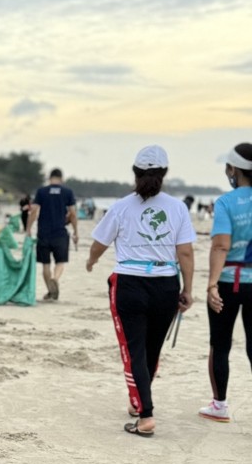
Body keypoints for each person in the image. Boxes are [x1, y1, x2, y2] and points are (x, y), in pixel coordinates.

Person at [86, 145, 194, 437]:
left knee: (135, 349)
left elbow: (100, 243)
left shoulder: (121, 207)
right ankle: (139, 402)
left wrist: (91, 261)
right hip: (166, 283)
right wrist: (188, 289)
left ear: (135, 173)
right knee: (151, 350)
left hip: (129, 283)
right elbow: (185, 253)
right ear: (165, 173)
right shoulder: (178, 207)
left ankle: (145, 414)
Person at [200, 142, 252, 422]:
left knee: (220, 345)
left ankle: (219, 405)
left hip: (230, 281)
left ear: (234, 170)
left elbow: (221, 246)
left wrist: (211, 284)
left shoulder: (226, 203)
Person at [25, 169, 79, 301]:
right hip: (60, 233)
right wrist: (76, 231)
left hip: (43, 233)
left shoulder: (41, 191)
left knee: (45, 264)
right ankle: (55, 278)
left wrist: (28, 229)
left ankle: (50, 290)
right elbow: (72, 213)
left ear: (50, 178)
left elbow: (34, 211)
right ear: (61, 178)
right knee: (60, 261)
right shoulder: (67, 192)